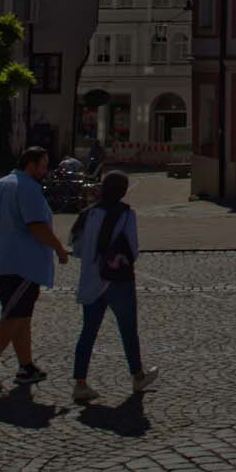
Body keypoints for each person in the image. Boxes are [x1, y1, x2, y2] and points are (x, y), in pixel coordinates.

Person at [0, 147, 69, 394]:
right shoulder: (27, 188)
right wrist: (59, 248)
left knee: (21, 316)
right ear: (31, 165)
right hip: (19, 263)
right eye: (43, 166)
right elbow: (37, 226)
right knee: (13, 318)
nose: (45, 171)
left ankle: (26, 366)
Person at [70, 171, 158, 402]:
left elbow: (76, 248)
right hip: (118, 281)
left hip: (91, 280)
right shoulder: (126, 214)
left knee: (88, 332)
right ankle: (137, 375)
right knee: (128, 329)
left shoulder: (87, 214)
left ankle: (80, 383)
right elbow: (133, 250)